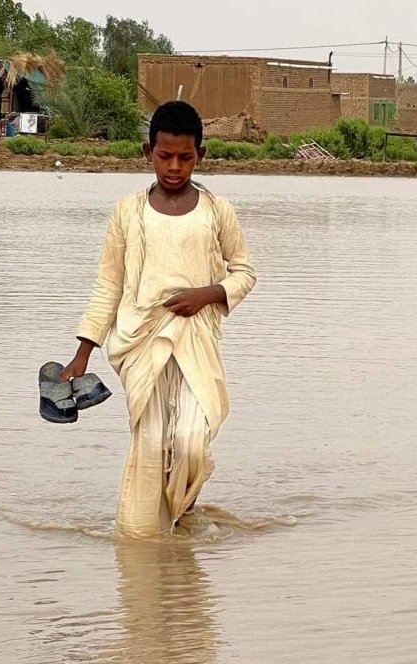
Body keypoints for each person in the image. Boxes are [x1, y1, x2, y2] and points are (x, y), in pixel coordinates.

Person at [61, 101, 257, 537]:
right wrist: (82, 353)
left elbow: (244, 272)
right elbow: (108, 285)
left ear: (200, 156)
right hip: (140, 342)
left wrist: (207, 294)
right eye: (164, 155)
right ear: (147, 151)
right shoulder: (127, 212)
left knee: (190, 439)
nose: (174, 167)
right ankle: (147, 543)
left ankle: (181, 511)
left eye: (185, 157)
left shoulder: (217, 211)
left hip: (196, 339)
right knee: (151, 445)